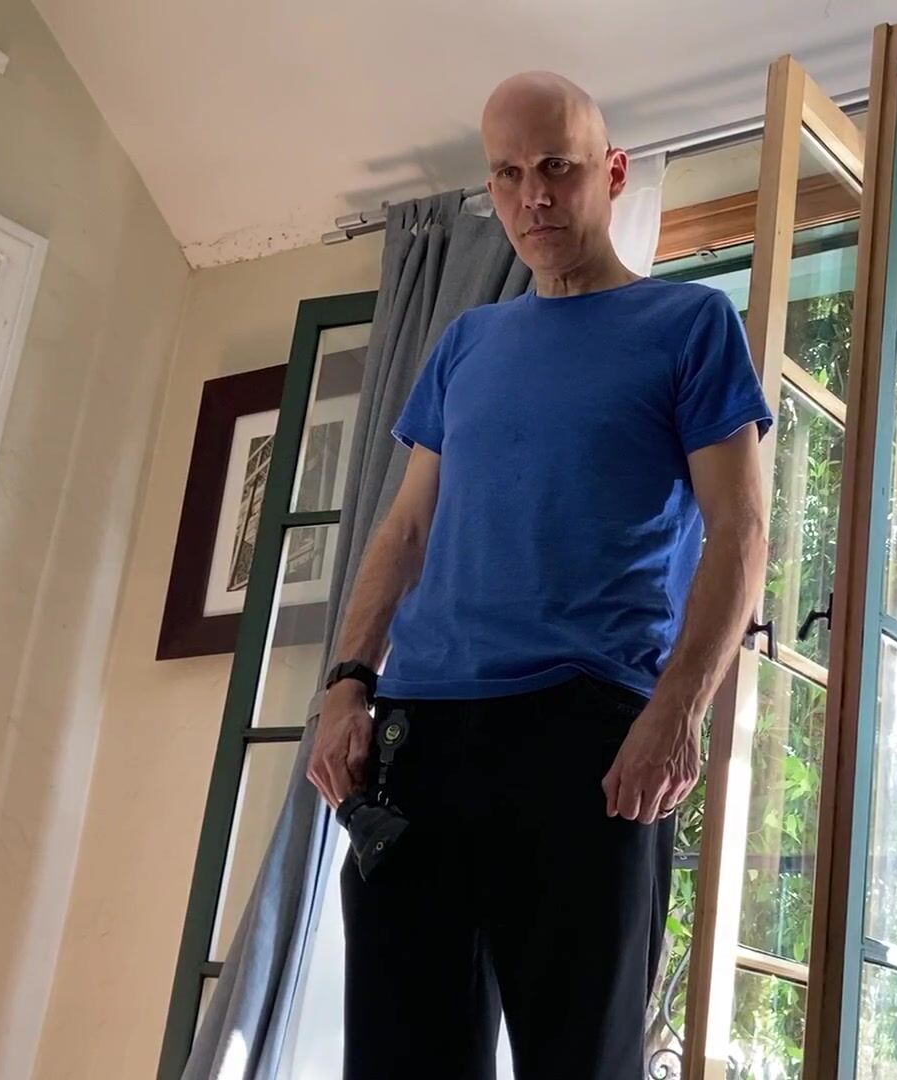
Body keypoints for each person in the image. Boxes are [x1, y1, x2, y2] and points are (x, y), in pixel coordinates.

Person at [303, 70, 771, 1079]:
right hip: (420, 741)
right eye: (508, 175)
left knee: (580, 1061)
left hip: (588, 740)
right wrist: (346, 684)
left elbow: (740, 531)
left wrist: (678, 710)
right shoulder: (466, 341)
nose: (534, 196)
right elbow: (405, 530)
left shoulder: (690, 324)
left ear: (613, 172)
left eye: (557, 167)